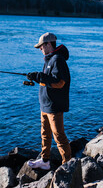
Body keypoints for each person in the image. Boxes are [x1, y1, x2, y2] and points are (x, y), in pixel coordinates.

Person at [26, 32, 71, 170]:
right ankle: (45, 160)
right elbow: (47, 79)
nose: (40, 49)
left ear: (48, 44)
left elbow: (60, 82)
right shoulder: (49, 59)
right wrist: (37, 77)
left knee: (59, 137)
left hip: (54, 106)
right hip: (45, 105)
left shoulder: (57, 59)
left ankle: (68, 166)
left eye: (41, 46)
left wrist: (40, 77)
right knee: (45, 134)